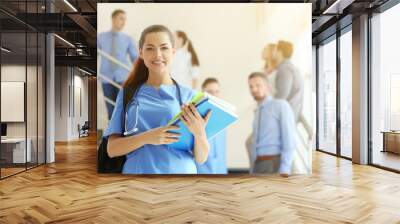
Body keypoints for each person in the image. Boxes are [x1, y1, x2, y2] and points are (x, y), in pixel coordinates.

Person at [104, 25, 211, 174]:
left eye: (164, 48)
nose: (158, 54)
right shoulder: (127, 93)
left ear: (173, 52)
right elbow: (112, 149)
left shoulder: (190, 96)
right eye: (150, 48)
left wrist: (200, 134)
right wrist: (147, 137)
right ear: (140, 53)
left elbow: (201, 158)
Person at [247, 72, 296, 177]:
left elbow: (289, 139)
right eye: (251, 86)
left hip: (274, 163)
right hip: (258, 165)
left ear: (267, 86)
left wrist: (285, 169)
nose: (254, 89)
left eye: (258, 85)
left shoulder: (280, 105)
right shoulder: (257, 111)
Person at [98, 9, 138, 119]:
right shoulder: (101, 37)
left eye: (125, 19)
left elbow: (135, 58)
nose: (123, 22)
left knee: (122, 108)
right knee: (110, 109)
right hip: (106, 78)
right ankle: (112, 134)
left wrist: (138, 75)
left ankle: (123, 134)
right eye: (121, 19)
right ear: (113, 19)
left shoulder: (128, 39)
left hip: (123, 78)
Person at [274, 40, 312, 140]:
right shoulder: (293, 68)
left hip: (286, 115)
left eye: (275, 50)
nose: (274, 52)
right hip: (293, 112)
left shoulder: (285, 68)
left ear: (279, 52)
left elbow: (282, 94)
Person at [196, 78, 227, 174]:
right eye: (210, 92)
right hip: (202, 170)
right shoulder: (197, 116)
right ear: (203, 93)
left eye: (217, 91)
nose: (214, 95)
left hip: (220, 169)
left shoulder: (224, 116)